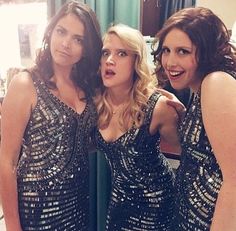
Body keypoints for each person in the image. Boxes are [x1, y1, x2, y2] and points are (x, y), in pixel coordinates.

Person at [0, 1, 102, 230]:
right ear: (51, 30)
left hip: (77, 204)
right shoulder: (25, 84)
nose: (66, 44)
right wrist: (13, 226)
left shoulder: (87, 87)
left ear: (87, 47)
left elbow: (84, 142)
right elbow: (6, 162)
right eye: (61, 31)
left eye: (78, 39)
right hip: (36, 209)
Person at [153, 7, 236, 231]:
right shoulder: (200, 89)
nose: (170, 62)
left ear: (207, 51)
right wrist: (186, 117)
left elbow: (235, 180)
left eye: (183, 51)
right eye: (167, 50)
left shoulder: (216, 82)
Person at [93, 23, 181, 230]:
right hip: (119, 200)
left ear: (136, 61)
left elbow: (189, 155)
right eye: (105, 53)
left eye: (121, 53)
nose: (110, 60)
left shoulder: (157, 106)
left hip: (158, 202)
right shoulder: (97, 103)